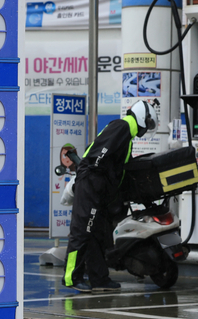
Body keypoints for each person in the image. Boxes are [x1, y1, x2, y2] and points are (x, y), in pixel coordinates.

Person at [62, 100, 158, 293]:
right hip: (91, 185)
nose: (146, 130)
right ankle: (71, 277)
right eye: (147, 125)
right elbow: (100, 155)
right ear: (142, 118)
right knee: (82, 231)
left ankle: (100, 279)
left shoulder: (125, 135)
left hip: (97, 187)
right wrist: (97, 178)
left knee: (97, 233)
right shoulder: (121, 127)